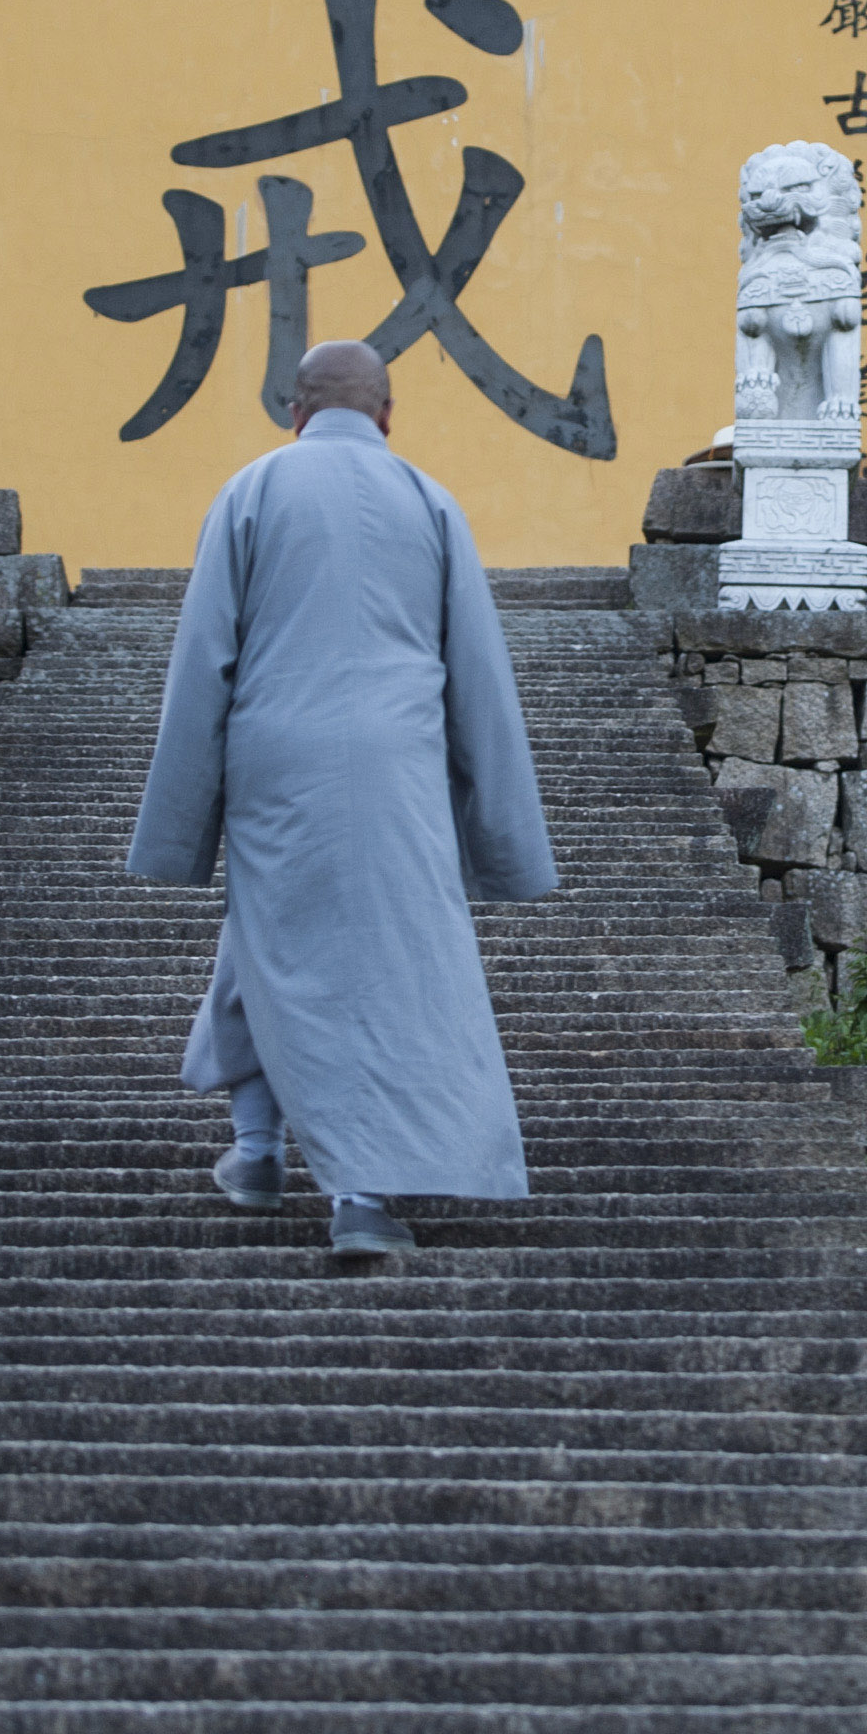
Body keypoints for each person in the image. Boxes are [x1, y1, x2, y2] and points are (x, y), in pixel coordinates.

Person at [126, 338, 553, 1257]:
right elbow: (479, 677)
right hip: (398, 767)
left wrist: (181, 824)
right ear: (388, 415)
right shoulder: (431, 503)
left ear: (297, 412)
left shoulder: (251, 491)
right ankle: (356, 1197)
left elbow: (204, 659)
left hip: (274, 760)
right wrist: (505, 835)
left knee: (270, 936)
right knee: (375, 968)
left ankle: (257, 1153)